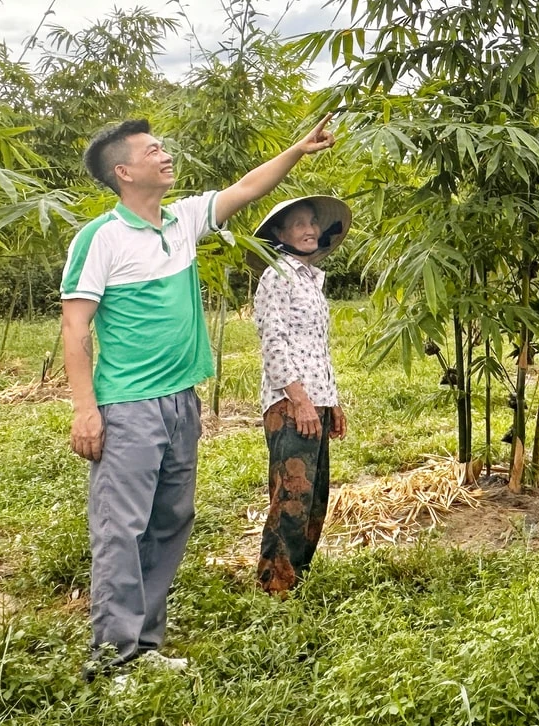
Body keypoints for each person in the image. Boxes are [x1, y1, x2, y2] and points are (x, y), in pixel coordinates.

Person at [61, 115, 334, 677]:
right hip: (127, 404)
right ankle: (112, 660)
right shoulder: (100, 238)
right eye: (152, 149)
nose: (165, 155)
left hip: (180, 399)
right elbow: (74, 329)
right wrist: (85, 410)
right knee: (122, 528)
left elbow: (247, 188)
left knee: (170, 520)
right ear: (123, 171)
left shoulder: (181, 220)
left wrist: (297, 151)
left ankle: (146, 646)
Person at [251, 194, 352, 594]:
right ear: (280, 233)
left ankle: (298, 579)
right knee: (291, 497)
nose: (309, 230)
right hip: (291, 404)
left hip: (315, 401)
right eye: (298, 224)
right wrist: (300, 399)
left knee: (314, 497)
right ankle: (273, 585)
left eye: (312, 222)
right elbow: (273, 342)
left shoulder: (310, 280)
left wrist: (331, 401)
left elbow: (315, 347)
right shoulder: (277, 276)